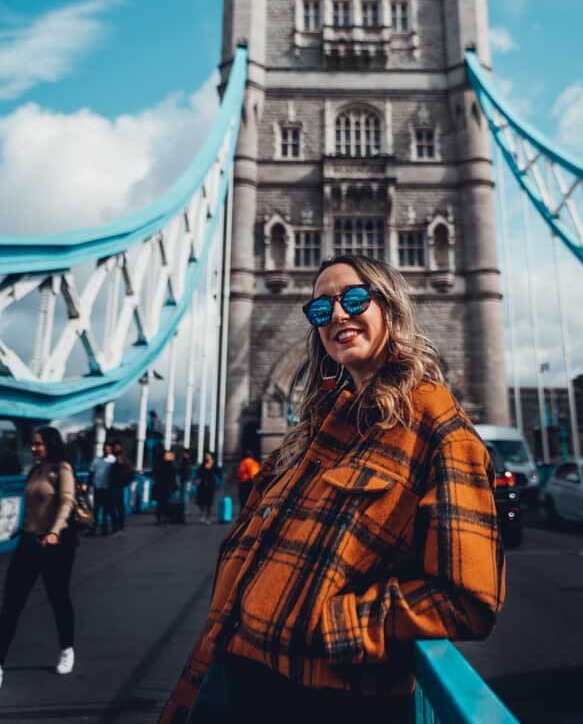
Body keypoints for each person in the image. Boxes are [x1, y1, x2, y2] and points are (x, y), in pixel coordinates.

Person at [160, 254, 505, 724]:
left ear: (390, 306)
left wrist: (326, 623)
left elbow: (467, 598)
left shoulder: (437, 429)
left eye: (355, 298)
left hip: (320, 697)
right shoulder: (315, 426)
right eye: (322, 308)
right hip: (229, 670)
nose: (338, 314)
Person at [0, 427, 77, 687]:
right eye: (32, 444)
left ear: (50, 444)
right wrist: (19, 528)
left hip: (56, 544)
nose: (33, 448)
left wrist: (54, 531)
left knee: (58, 597)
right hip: (29, 541)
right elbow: (32, 507)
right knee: (11, 603)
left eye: (38, 444)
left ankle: (67, 649)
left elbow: (67, 502)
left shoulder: (62, 469)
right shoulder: (34, 471)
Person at [89, 441, 116, 536]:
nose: (106, 450)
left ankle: (105, 529)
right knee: (96, 509)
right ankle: (93, 528)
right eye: (105, 448)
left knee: (106, 510)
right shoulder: (96, 460)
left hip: (108, 488)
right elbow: (91, 473)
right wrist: (89, 486)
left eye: (108, 449)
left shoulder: (113, 460)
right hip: (97, 487)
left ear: (111, 450)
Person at [111, 442, 134, 534]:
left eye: (117, 447)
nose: (115, 449)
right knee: (115, 507)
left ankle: (119, 526)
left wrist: (124, 482)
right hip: (113, 485)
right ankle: (117, 526)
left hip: (119, 486)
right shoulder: (115, 458)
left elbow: (129, 471)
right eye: (114, 447)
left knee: (118, 506)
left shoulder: (122, 458)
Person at [153, 449, 178, 525]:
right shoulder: (169, 465)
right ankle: (163, 519)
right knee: (164, 503)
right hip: (164, 487)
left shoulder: (168, 465)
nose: (171, 456)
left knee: (162, 503)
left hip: (163, 486)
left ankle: (161, 519)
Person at [195, 452, 217, 524]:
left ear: (211, 456)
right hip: (202, 486)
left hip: (210, 486)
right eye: (205, 455)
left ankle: (208, 517)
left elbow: (218, 474)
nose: (206, 456)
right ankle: (202, 516)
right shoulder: (203, 464)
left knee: (209, 502)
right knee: (202, 501)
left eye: (208, 455)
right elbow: (198, 472)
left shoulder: (214, 465)